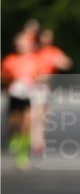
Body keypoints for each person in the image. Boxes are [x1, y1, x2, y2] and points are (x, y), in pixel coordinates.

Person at [1, 31, 41, 168]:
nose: (22, 46)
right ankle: (13, 138)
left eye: (25, 43)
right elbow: (4, 77)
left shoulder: (34, 60)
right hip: (14, 95)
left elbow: (39, 75)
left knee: (26, 124)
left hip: (28, 96)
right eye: (20, 44)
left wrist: (34, 82)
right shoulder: (9, 60)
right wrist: (12, 82)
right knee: (14, 122)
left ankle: (23, 155)